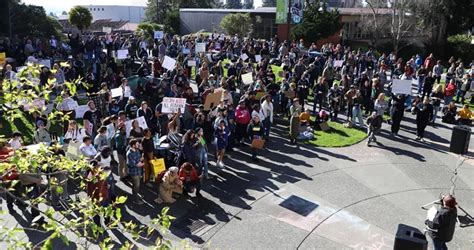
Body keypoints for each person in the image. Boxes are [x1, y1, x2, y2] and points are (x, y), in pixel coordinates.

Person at [126, 139, 144, 205]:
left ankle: (136, 195)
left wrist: (141, 159)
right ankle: (135, 199)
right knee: (136, 186)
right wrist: (144, 164)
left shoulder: (137, 151)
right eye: (137, 144)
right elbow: (135, 164)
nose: (138, 145)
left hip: (138, 171)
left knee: (137, 185)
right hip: (134, 172)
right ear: (133, 145)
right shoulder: (129, 154)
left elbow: (138, 159)